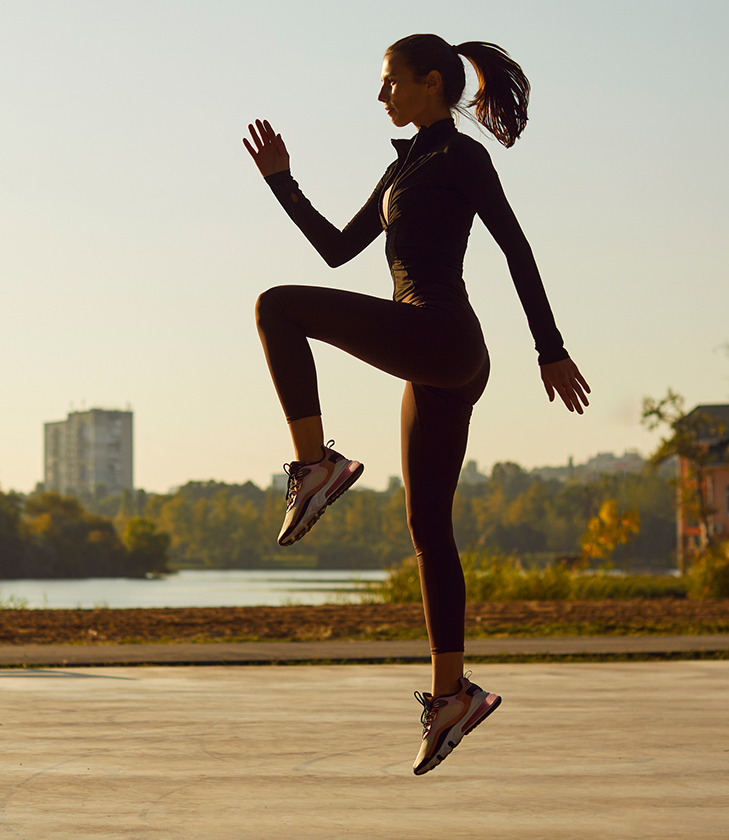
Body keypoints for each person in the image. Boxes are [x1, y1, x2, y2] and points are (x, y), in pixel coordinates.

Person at [243, 33, 590, 775]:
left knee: (276, 307)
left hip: (443, 335)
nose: (381, 97)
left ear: (431, 83)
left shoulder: (463, 157)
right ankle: (452, 695)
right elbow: (338, 249)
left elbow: (516, 248)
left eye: (390, 83)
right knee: (428, 526)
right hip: (439, 358)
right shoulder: (404, 166)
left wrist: (550, 348)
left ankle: (316, 466)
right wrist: (283, 181)